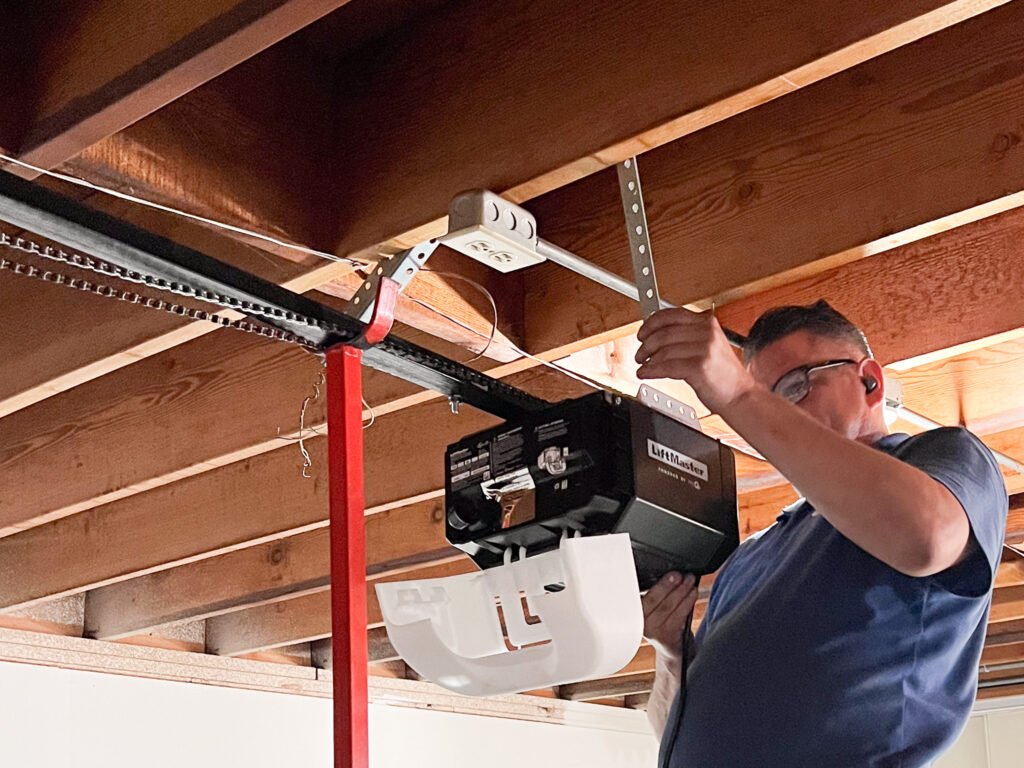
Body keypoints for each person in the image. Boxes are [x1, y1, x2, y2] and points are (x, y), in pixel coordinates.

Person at [635, 300, 1008, 768]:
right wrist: (671, 652)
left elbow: (927, 536)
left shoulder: (943, 457)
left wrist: (740, 395)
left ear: (870, 382)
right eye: (768, 397)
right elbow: (678, 726)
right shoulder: (752, 556)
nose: (772, 418)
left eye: (793, 387)